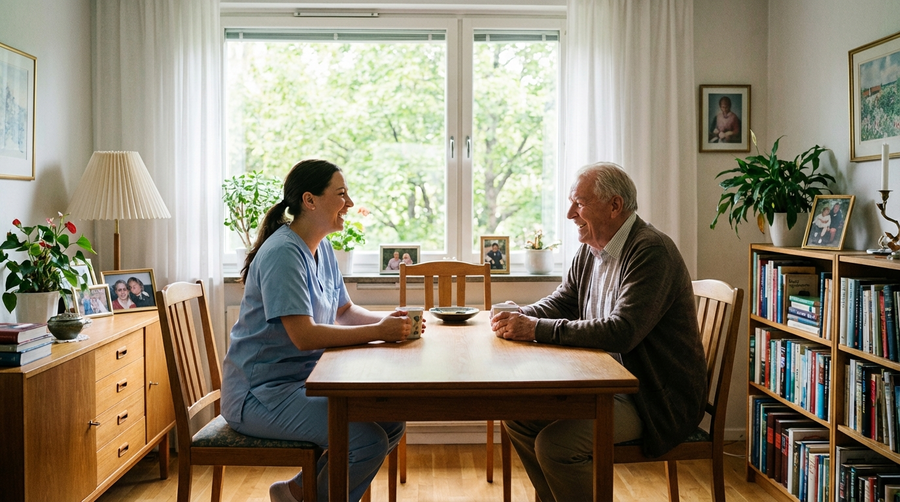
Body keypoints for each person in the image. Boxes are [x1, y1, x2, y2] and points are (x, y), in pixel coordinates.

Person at [490, 162, 707, 502]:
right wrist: (518, 314)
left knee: (555, 445)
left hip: (653, 397)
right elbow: (562, 303)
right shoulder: (592, 249)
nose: (569, 214)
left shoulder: (651, 251)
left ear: (615, 205)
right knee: (518, 417)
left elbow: (622, 332)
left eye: (578, 203)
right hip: (606, 385)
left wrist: (534, 328)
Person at [221, 159, 418, 502]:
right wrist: (381, 332)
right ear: (309, 200)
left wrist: (389, 320)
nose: (350, 204)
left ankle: (298, 492)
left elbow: (343, 311)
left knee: (390, 422)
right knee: (366, 441)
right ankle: (304, 496)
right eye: (341, 194)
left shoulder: (322, 246)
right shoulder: (283, 253)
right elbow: (305, 336)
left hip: (302, 383)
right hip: (260, 395)